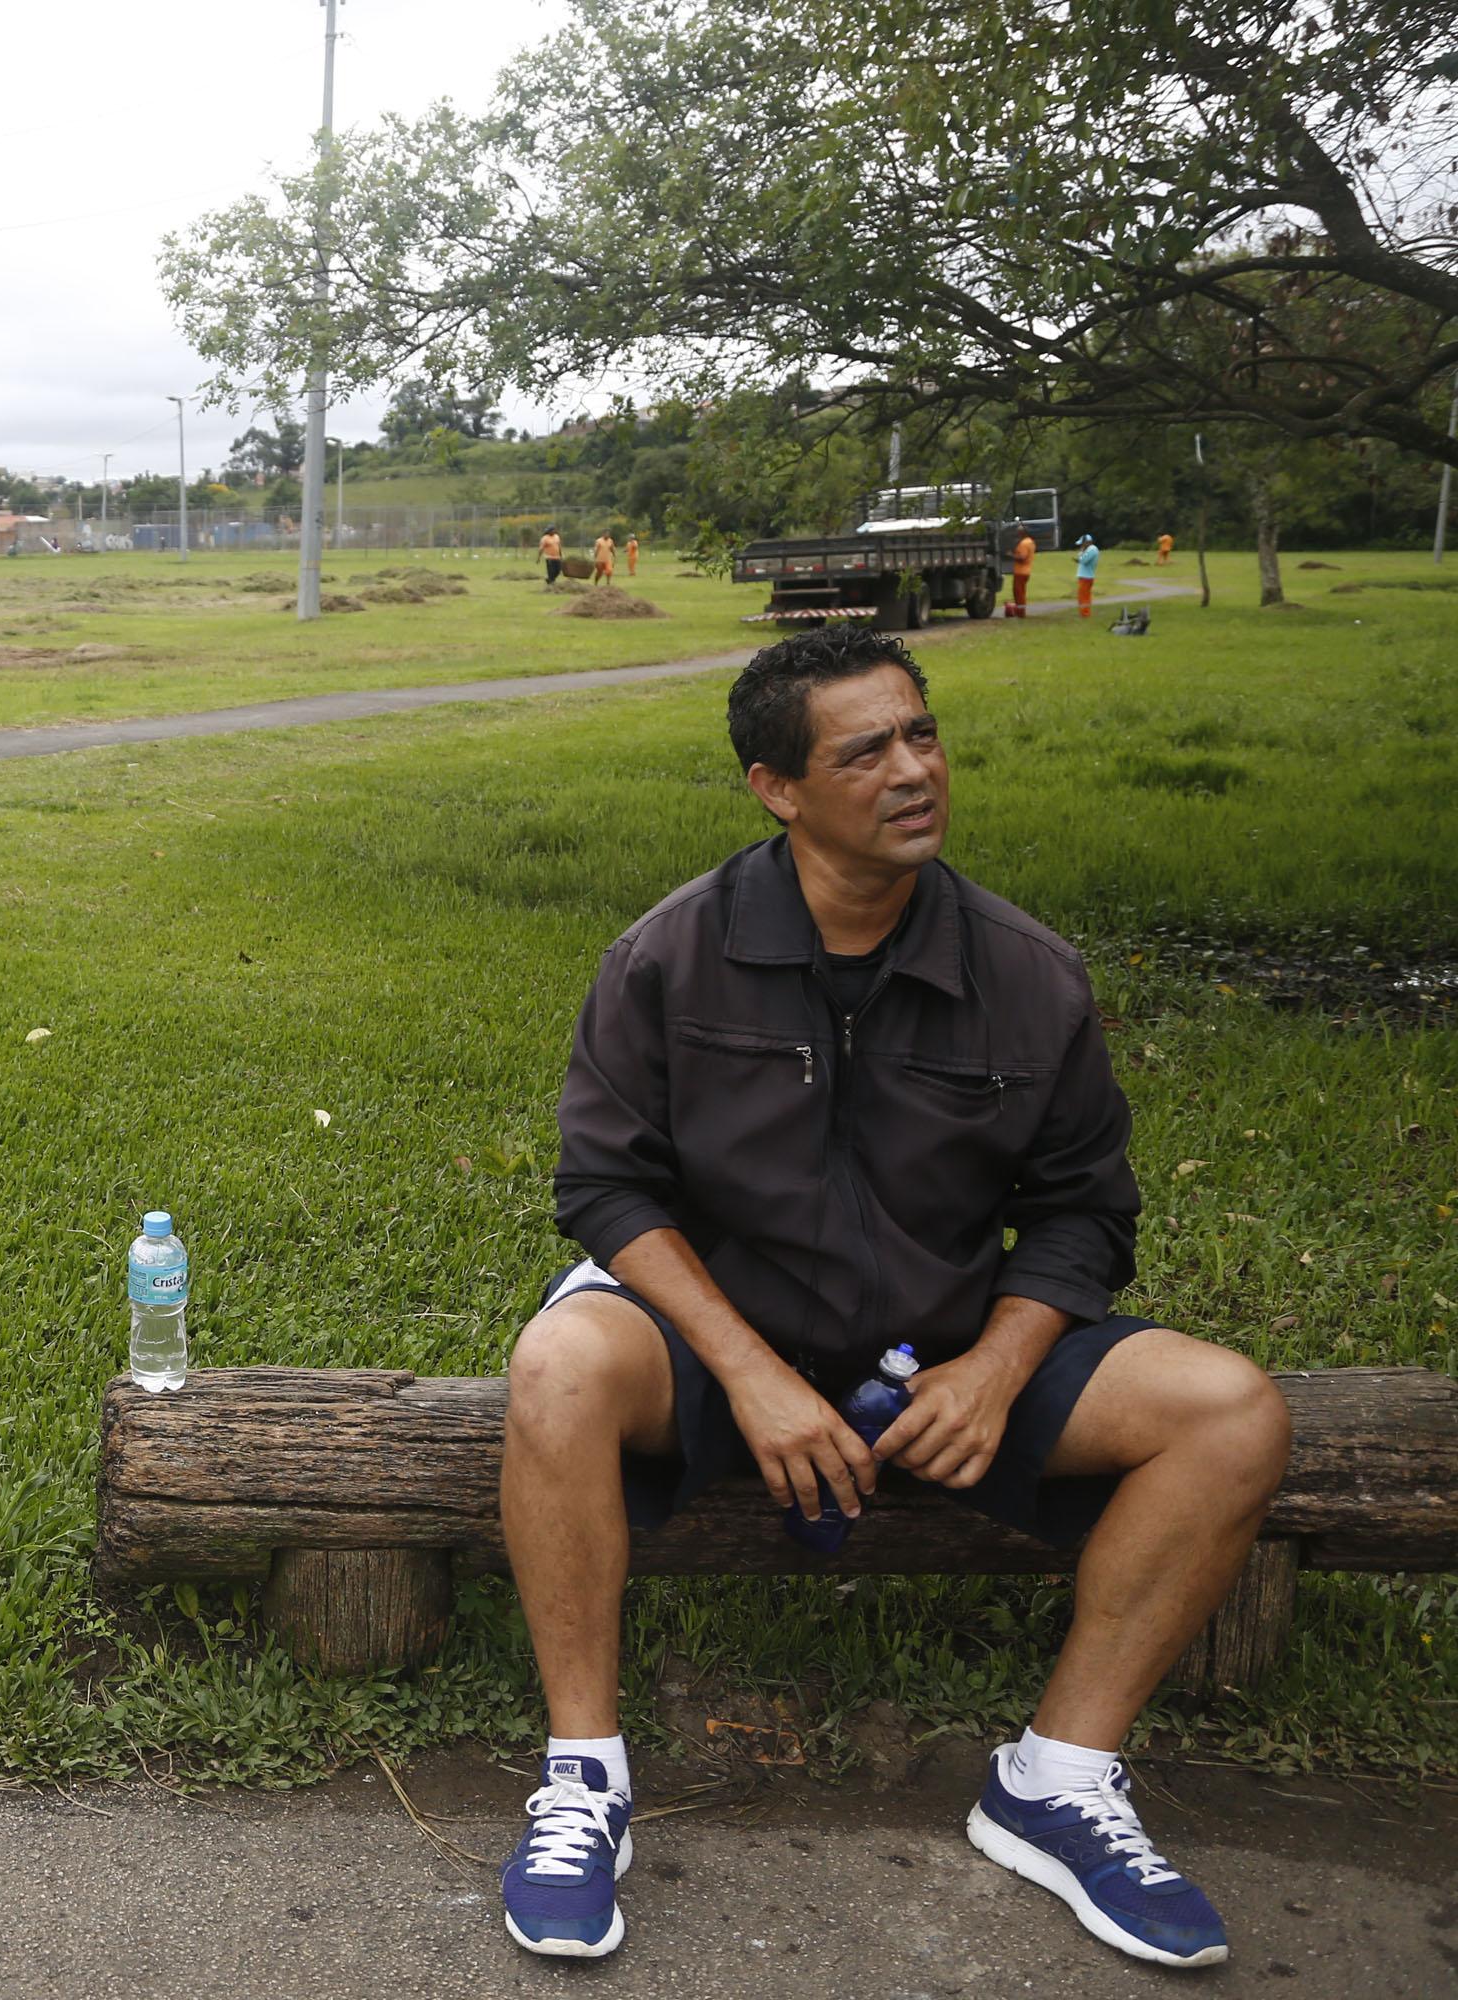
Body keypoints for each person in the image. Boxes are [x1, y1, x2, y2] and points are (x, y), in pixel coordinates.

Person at [497, 623, 1287, 1969]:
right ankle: (584, 1776)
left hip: (943, 1352)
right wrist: (751, 1372)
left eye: (922, 734)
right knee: (558, 1362)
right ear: (777, 788)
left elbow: (1087, 1210)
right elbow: (606, 1188)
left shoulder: (1026, 972)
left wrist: (995, 1369)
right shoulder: (670, 955)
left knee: (1232, 1411)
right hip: (713, 1340)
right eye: (866, 752)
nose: (914, 771)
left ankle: (1055, 1780)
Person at [1008, 523, 1037, 618]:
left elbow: (1022, 557)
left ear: (1022, 533)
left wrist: (1011, 555)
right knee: (1021, 592)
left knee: (1018, 593)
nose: (1017, 534)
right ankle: (1021, 611)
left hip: (1020, 572)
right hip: (1026, 571)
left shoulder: (1024, 543)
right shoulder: (1030, 542)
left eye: (1018, 532)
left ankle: (1020, 613)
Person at [1074, 534, 1100, 617]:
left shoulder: (1092, 549)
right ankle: (1084, 613)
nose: (1081, 546)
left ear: (1087, 542)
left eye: (1082, 544)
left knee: (1083, 596)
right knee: (1084, 596)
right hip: (1085, 576)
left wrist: (1081, 552)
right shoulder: (1090, 549)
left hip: (1086, 577)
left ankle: (1085, 613)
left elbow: (1084, 560)